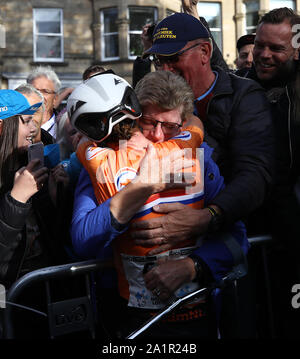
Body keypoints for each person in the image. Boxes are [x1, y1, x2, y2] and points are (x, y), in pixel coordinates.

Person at [70, 71, 248, 339]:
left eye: (171, 127)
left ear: (185, 124)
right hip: (130, 318)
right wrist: (140, 188)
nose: (158, 136)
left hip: (198, 315)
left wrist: (192, 265)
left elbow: (237, 239)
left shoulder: (198, 160)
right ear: (132, 116)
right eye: (148, 123)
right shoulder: (104, 162)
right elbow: (83, 240)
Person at [132, 0, 229, 88]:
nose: (165, 70)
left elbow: (224, 79)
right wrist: (148, 48)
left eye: (173, 58)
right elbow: (139, 98)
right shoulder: (162, 100)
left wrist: (192, 12)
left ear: (204, 52)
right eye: (158, 61)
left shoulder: (239, 97)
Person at [27, 66, 61, 139]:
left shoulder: (65, 128)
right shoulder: (18, 127)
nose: (40, 96)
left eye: (45, 92)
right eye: (35, 91)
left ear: (55, 98)